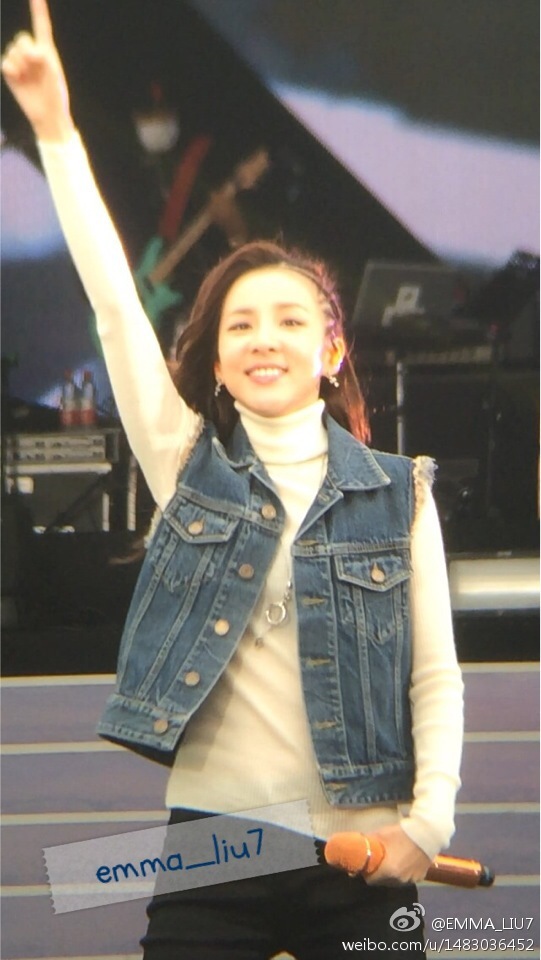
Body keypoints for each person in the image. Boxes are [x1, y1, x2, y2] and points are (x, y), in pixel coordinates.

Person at [2, 3, 463, 958]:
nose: (264, 338)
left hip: (360, 848)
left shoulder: (399, 491)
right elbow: (114, 306)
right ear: (214, 360)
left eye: (291, 321)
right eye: (240, 324)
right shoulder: (187, 465)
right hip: (217, 845)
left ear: (330, 351)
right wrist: (55, 130)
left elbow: (433, 675)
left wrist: (425, 827)